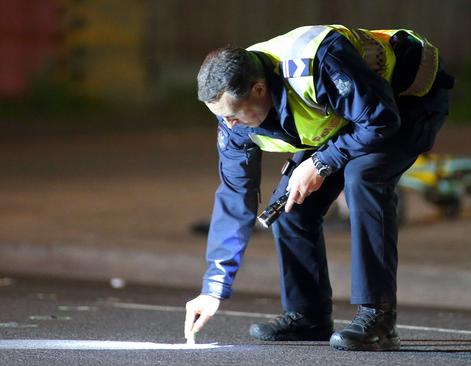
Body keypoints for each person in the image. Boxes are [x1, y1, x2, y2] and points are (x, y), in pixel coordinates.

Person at [184, 24, 453, 351]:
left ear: (257, 89)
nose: (229, 126)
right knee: (288, 206)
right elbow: (234, 195)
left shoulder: (316, 63)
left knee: (364, 177)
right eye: (220, 117)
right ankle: (308, 316)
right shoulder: (234, 110)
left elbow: (382, 119)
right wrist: (214, 287)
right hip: (347, 113)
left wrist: (322, 163)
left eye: (232, 116)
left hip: (406, 96)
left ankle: (378, 318)